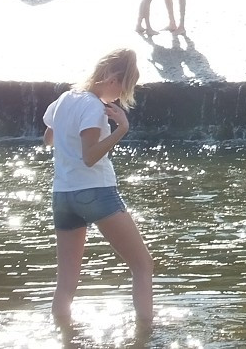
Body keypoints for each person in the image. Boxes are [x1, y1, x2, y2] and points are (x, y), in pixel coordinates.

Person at [42, 48, 153, 329]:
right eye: (122, 90)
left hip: (63, 195)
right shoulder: (92, 106)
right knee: (142, 265)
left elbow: (49, 139)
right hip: (95, 192)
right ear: (113, 78)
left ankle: (64, 337)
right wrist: (120, 129)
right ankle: (147, 334)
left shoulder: (64, 98)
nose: (118, 98)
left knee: (65, 283)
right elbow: (90, 157)